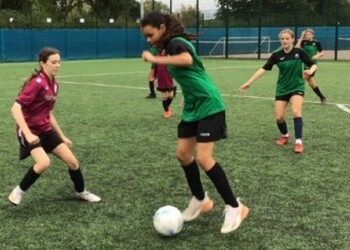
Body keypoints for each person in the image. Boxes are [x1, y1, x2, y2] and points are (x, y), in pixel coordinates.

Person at [140, 12, 249, 234]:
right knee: (182, 154)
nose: (148, 40)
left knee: (203, 157)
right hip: (193, 107)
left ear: (162, 28)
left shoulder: (176, 43)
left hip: (209, 104)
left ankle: (235, 207)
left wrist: (155, 60)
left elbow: (186, 60)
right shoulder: (168, 45)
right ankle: (200, 200)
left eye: (150, 34)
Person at [8, 47, 101, 205]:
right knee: (44, 162)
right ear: (43, 64)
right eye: (53, 62)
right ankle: (17, 192)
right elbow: (15, 108)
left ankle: (81, 192)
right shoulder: (36, 83)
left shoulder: (55, 85)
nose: (57, 65)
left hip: (46, 130)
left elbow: (48, 114)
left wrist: (62, 136)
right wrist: (28, 134)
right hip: (30, 131)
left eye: (59, 61)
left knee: (73, 162)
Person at [239, 29, 317, 153]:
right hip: (282, 88)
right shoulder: (276, 55)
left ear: (292, 39)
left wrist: (310, 71)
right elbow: (263, 69)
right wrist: (249, 82)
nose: (284, 41)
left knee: (296, 112)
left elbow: (313, 65)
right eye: (282, 39)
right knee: (279, 118)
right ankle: (285, 135)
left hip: (297, 87)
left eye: (287, 38)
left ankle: (298, 142)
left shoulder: (299, 52)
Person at [296, 28, 327, 104]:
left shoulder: (316, 42)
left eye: (309, 34)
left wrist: (317, 56)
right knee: (311, 83)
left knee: (301, 80)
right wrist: (301, 37)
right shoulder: (303, 42)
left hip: (313, 65)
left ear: (312, 35)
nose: (307, 36)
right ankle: (322, 97)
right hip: (305, 64)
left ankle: (295, 98)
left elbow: (322, 52)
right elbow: (296, 48)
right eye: (306, 34)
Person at [154, 49, 176, 118]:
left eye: (165, 49)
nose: (164, 51)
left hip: (169, 78)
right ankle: (166, 111)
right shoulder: (157, 57)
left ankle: (167, 107)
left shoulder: (170, 57)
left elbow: (174, 68)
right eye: (162, 50)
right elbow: (155, 69)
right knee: (164, 97)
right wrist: (155, 78)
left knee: (171, 96)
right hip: (161, 79)